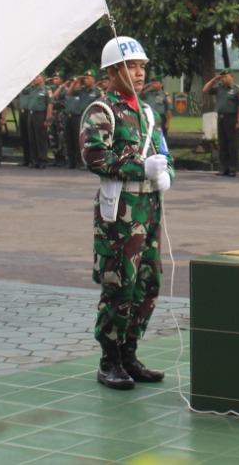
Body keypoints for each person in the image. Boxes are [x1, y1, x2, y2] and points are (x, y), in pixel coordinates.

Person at [81, 35, 173, 390]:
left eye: (141, 66)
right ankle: (110, 358)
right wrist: (141, 167)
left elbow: (163, 153)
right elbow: (95, 156)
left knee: (148, 283)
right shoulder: (101, 111)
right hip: (120, 210)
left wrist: (166, 173)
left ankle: (130, 351)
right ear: (112, 70)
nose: (139, 73)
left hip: (149, 207)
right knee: (120, 282)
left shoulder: (147, 112)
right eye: (132, 66)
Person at [203, 68, 239, 177]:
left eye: (226, 77)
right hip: (221, 118)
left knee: (233, 145)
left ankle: (232, 169)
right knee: (223, 144)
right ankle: (223, 168)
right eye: (222, 77)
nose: (224, 79)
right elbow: (205, 90)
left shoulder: (237, 90)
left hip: (232, 119)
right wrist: (214, 79)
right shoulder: (219, 88)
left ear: (232, 77)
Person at [18, 74, 52, 168]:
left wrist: (47, 119)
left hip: (40, 115)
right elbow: (21, 89)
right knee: (32, 138)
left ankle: (43, 160)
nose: (35, 78)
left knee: (40, 139)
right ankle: (35, 160)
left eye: (37, 77)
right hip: (31, 115)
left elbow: (50, 105)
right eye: (34, 77)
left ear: (43, 78)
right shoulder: (32, 89)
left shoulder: (46, 90)